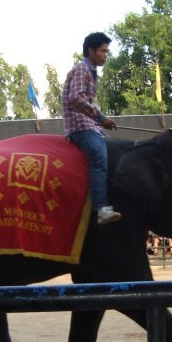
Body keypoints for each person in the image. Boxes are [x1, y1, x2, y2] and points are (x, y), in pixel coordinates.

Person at [62, 32, 121, 225]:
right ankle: (101, 208)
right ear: (91, 51)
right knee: (98, 154)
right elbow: (75, 98)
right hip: (80, 125)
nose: (106, 55)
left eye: (107, 51)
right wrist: (100, 118)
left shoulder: (91, 71)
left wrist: (102, 119)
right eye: (103, 51)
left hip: (90, 125)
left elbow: (88, 102)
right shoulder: (82, 68)